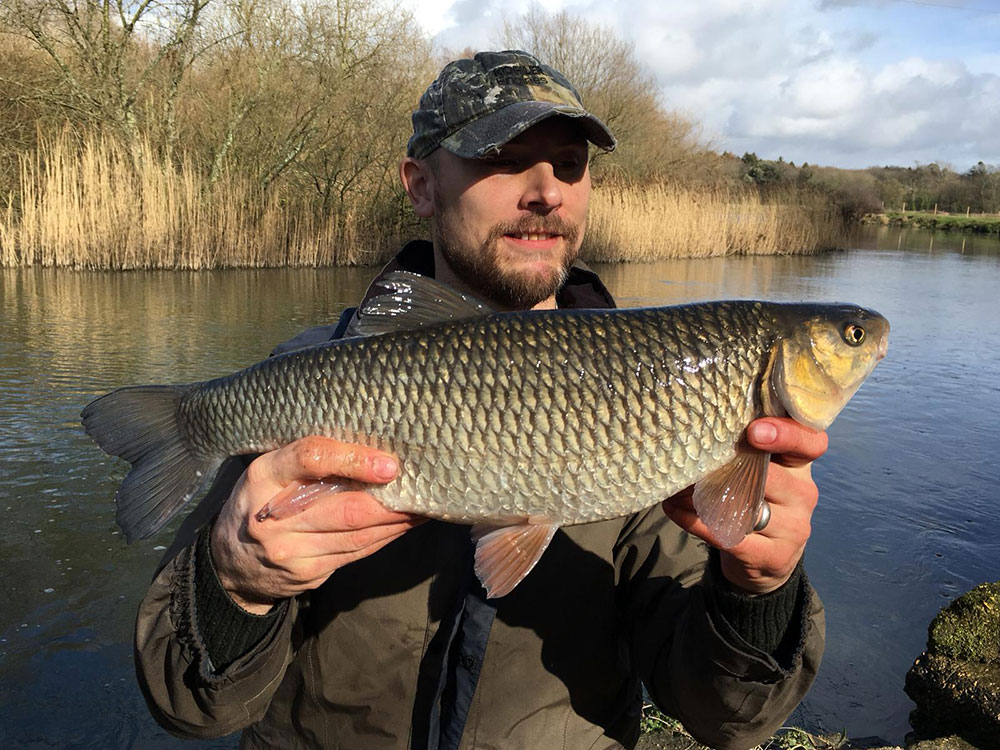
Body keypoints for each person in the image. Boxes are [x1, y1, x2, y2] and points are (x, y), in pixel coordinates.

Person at [134, 50, 826, 750]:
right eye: (503, 158)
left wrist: (758, 593)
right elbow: (185, 702)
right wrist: (236, 584)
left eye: (569, 163)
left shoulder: (654, 394)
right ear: (421, 185)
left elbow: (724, 719)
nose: (547, 192)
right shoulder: (307, 380)